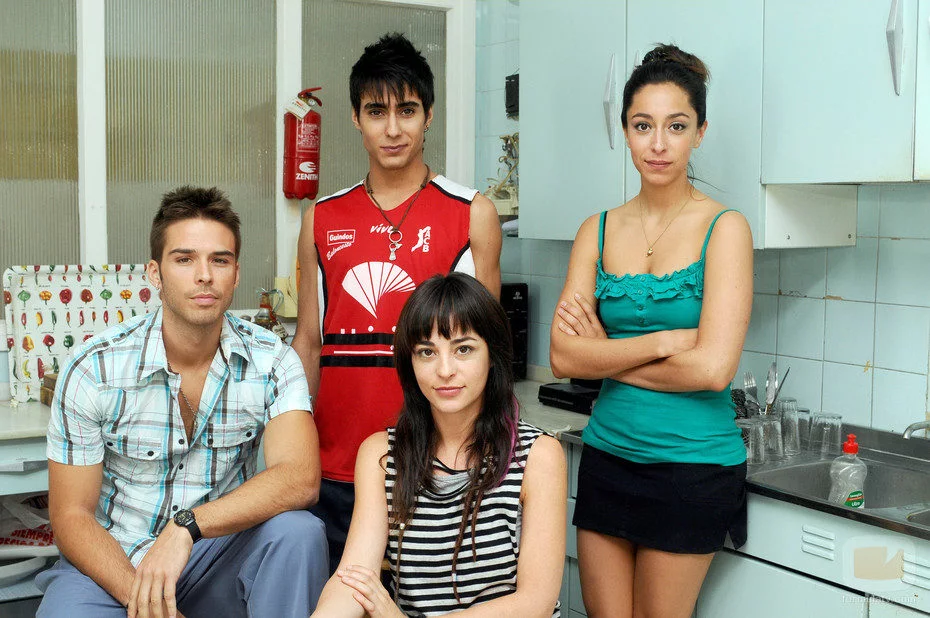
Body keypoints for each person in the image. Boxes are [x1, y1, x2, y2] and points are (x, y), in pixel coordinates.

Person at [37, 186, 329, 618]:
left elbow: (300, 479)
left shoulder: (272, 360)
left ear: (236, 273)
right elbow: (71, 517)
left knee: (298, 532)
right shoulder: (94, 368)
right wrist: (145, 599)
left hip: (216, 553)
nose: (204, 275)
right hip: (115, 562)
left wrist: (188, 526)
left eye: (220, 260)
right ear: (155, 273)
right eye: (185, 259)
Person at [549, 45, 753, 618]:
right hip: (607, 456)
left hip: (693, 466)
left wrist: (605, 353)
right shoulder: (596, 229)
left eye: (676, 126)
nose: (658, 143)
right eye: (643, 126)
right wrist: (663, 343)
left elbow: (712, 369)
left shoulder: (726, 229)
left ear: (700, 132)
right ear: (625, 131)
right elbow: (563, 356)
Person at [291, 32, 502, 573]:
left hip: (433, 466)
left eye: (406, 110)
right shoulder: (321, 218)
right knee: (339, 599)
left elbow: (487, 355)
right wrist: (292, 447)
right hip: (334, 465)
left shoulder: (472, 214)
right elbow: (308, 343)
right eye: (376, 111)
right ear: (356, 118)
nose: (392, 129)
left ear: (428, 115)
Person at [310, 273, 565, 617]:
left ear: (492, 355)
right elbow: (354, 580)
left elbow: (536, 603)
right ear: (410, 362)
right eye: (427, 352)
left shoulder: (538, 456)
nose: (445, 370)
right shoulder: (382, 456)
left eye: (463, 349)